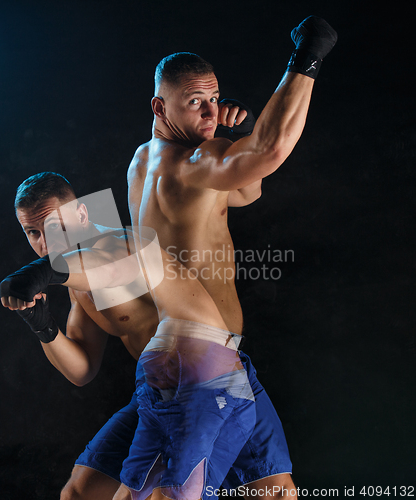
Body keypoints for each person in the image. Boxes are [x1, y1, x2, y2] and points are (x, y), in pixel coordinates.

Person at [125, 16, 337, 500]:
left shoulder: (143, 160)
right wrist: (308, 56)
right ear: (160, 105)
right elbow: (270, 149)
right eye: (195, 101)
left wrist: (217, 134)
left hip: (221, 359)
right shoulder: (195, 162)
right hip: (197, 361)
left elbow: (243, 193)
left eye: (214, 99)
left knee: (276, 491)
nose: (209, 110)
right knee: (169, 495)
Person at [6, 171, 251, 500]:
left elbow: (110, 268)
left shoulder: (116, 242)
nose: (45, 244)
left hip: (207, 381)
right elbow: (82, 369)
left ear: (81, 215)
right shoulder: (76, 285)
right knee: (79, 494)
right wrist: (41, 324)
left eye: (55, 227)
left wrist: (44, 271)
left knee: (265, 491)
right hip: (156, 393)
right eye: (33, 232)